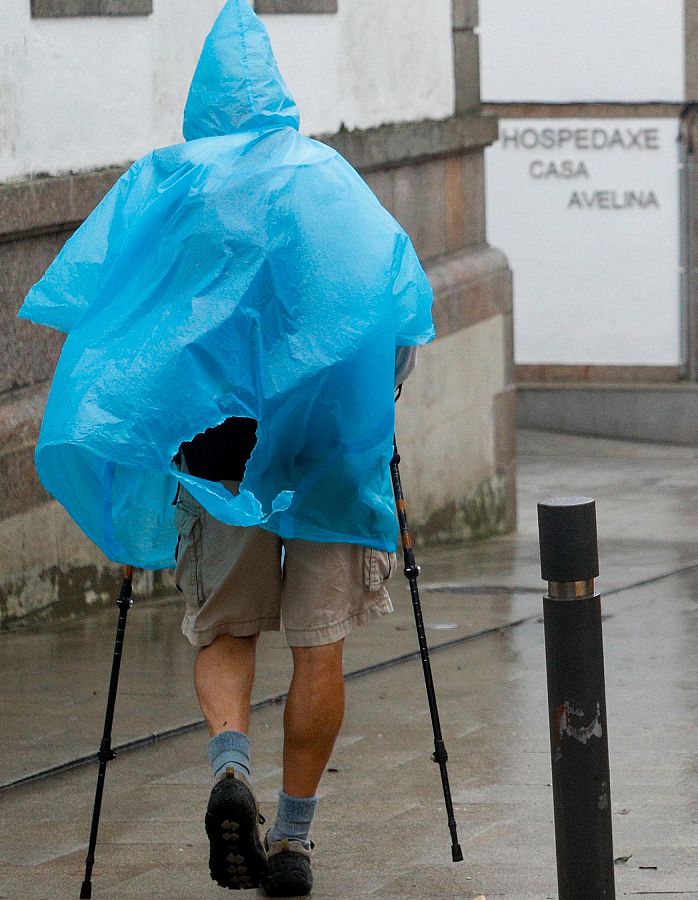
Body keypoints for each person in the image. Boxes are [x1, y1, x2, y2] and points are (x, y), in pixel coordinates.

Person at [20, 3, 433, 895]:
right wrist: (375, 399)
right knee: (318, 644)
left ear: (201, 103)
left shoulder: (169, 186)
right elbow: (395, 310)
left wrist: (135, 427)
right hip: (326, 449)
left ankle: (228, 769)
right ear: (278, 93)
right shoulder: (331, 178)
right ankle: (292, 839)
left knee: (226, 626)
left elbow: (120, 315)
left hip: (219, 456)